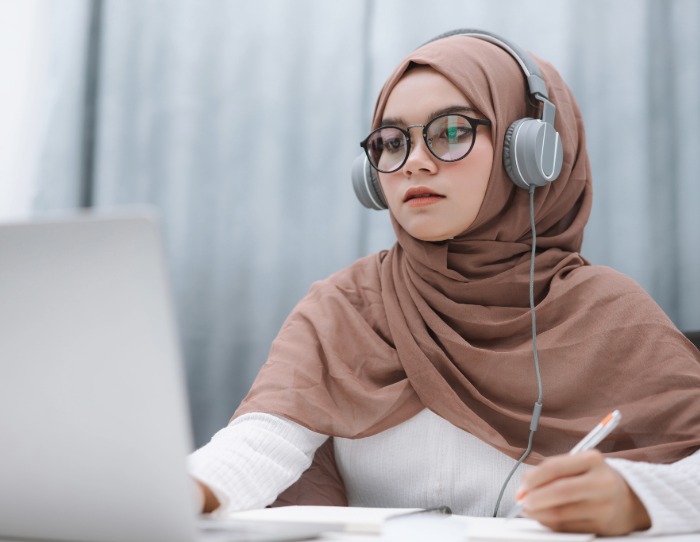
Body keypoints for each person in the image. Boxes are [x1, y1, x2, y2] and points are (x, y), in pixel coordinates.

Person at [188, 29, 700, 536]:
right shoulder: (345, 305)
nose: (415, 162)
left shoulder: (610, 314)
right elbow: (258, 445)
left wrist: (638, 498)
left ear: (526, 154)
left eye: (451, 131)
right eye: (391, 142)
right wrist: (180, 489)